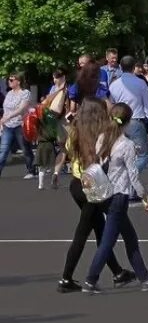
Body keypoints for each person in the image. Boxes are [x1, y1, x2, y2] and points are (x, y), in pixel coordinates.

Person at [81, 103, 148, 293]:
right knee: (108, 241)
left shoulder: (102, 138)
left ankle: (145, 278)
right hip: (119, 196)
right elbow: (133, 176)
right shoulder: (126, 145)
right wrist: (145, 196)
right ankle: (90, 280)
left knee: (130, 237)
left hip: (103, 194)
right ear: (127, 122)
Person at [54, 99, 135, 292]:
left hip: (76, 184)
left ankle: (117, 272)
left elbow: (65, 152)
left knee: (99, 227)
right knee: (83, 233)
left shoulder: (75, 130)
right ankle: (66, 278)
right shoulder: (101, 133)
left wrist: (56, 173)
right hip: (91, 186)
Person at [108, 56, 148, 171]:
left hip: (119, 122)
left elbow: (111, 105)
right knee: (143, 156)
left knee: (121, 156)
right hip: (135, 121)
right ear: (134, 68)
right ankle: (129, 177)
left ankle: (124, 179)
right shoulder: (140, 83)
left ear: (120, 67)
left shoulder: (114, 85)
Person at [1, 71, 36, 181]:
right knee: (3, 149)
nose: (9, 82)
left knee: (25, 149)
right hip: (8, 126)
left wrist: (9, 116)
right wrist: (2, 122)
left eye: (11, 80)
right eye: (8, 80)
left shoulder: (25, 93)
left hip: (20, 124)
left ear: (18, 81)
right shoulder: (9, 94)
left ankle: (31, 170)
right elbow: (6, 109)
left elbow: (22, 109)